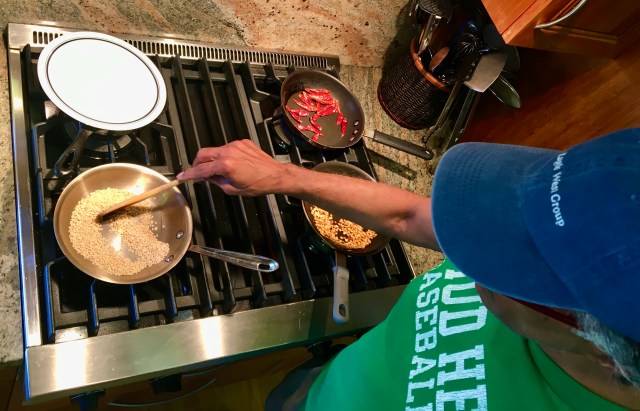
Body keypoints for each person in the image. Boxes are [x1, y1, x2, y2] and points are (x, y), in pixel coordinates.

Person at [177, 128, 640, 410]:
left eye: (498, 268)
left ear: (601, 348)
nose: (469, 248)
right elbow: (408, 217)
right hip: (328, 385)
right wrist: (284, 177)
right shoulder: (587, 251)